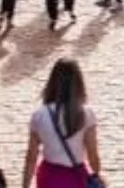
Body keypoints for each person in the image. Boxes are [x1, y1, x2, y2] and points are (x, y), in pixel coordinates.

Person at [23, 59, 103, 188]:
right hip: (76, 177)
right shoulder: (86, 114)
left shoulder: (39, 115)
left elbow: (31, 157)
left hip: (49, 177)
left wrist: (25, 185)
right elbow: (92, 154)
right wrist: (97, 174)